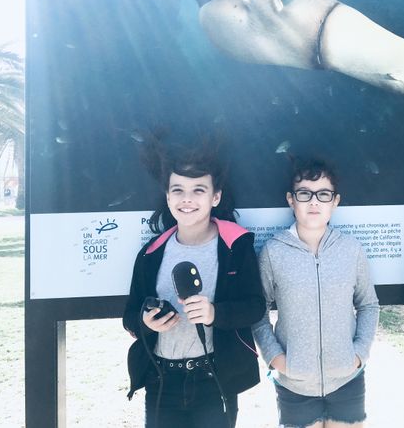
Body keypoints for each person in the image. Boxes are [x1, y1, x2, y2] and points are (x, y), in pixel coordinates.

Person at [123, 142, 265, 428]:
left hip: (214, 379)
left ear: (215, 197)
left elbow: (255, 307)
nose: (187, 199)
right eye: (178, 190)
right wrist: (147, 322)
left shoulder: (236, 247)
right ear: (167, 196)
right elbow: (130, 317)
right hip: (161, 381)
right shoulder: (150, 254)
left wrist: (215, 314)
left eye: (198, 190)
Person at [253, 158, 380, 428]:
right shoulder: (273, 252)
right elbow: (258, 311)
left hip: (347, 380)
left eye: (323, 194)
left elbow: (369, 305)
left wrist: (359, 353)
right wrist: (275, 358)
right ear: (291, 199)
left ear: (335, 201)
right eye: (304, 194)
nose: (314, 202)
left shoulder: (351, 249)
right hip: (294, 385)